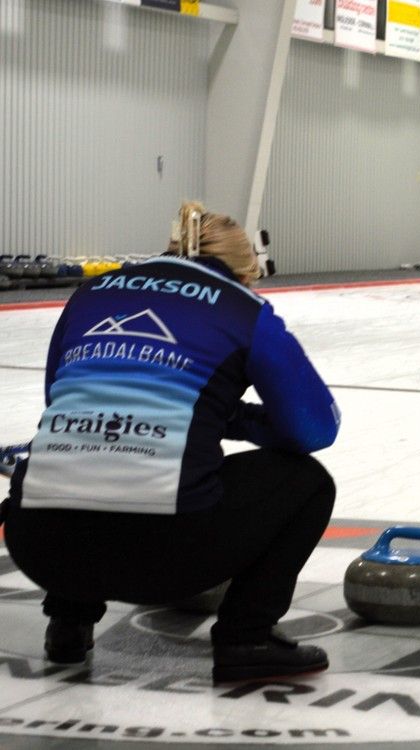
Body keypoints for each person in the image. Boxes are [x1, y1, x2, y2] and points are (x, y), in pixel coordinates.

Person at [3, 201, 341, 684]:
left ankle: (68, 625)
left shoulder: (91, 292)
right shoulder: (245, 309)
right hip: (165, 557)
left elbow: (58, 398)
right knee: (307, 483)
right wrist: (228, 417)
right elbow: (313, 429)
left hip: (39, 547)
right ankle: (247, 639)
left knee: (81, 454)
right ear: (246, 271)